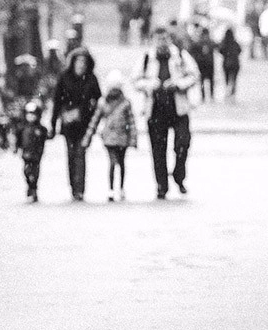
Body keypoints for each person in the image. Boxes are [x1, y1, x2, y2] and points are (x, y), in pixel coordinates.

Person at [134, 26, 199, 199]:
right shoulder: (147, 58)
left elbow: (194, 75)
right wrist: (151, 84)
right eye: (158, 39)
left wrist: (178, 83)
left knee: (182, 144)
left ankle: (179, 175)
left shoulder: (181, 56)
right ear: (153, 40)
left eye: (165, 39)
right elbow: (136, 80)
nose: (162, 42)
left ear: (170, 40)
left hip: (178, 108)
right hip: (155, 110)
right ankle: (161, 185)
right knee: (158, 150)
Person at [50, 47, 101, 201]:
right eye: (78, 61)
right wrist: (53, 123)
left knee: (80, 154)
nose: (81, 65)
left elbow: (99, 99)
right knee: (71, 155)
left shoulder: (91, 79)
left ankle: (79, 189)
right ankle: (73, 186)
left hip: (84, 124)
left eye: (83, 62)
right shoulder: (64, 78)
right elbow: (57, 102)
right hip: (68, 124)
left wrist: (91, 111)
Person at [82, 70, 137, 202]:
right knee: (113, 163)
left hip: (122, 137)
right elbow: (94, 121)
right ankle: (112, 189)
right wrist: (87, 137)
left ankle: (121, 188)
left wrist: (133, 138)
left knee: (121, 163)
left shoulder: (125, 103)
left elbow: (131, 122)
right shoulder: (103, 102)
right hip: (109, 138)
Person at [16, 100, 48, 202]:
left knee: (35, 171)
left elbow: (44, 138)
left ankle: (33, 188)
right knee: (26, 171)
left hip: (36, 154)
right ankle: (30, 186)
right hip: (26, 153)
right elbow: (18, 140)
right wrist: (17, 148)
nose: (31, 117)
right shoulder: (22, 128)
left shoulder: (41, 129)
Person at [189, 27, 216, 102]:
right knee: (207, 81)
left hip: (205, 64)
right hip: (206, 64)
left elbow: (192, 50)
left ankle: (206, 96)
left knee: (206, 81)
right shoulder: (207, 42)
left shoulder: (200, 42)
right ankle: (208, 96)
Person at [219, 27, 242, 100]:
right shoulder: (235, 43)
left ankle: (228, 91)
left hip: (226, 63)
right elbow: (240, 50)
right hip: (235, 63)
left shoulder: (224, 43)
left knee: (227, 79)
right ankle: (233, 92)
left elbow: (220, 51)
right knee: (234, 79)